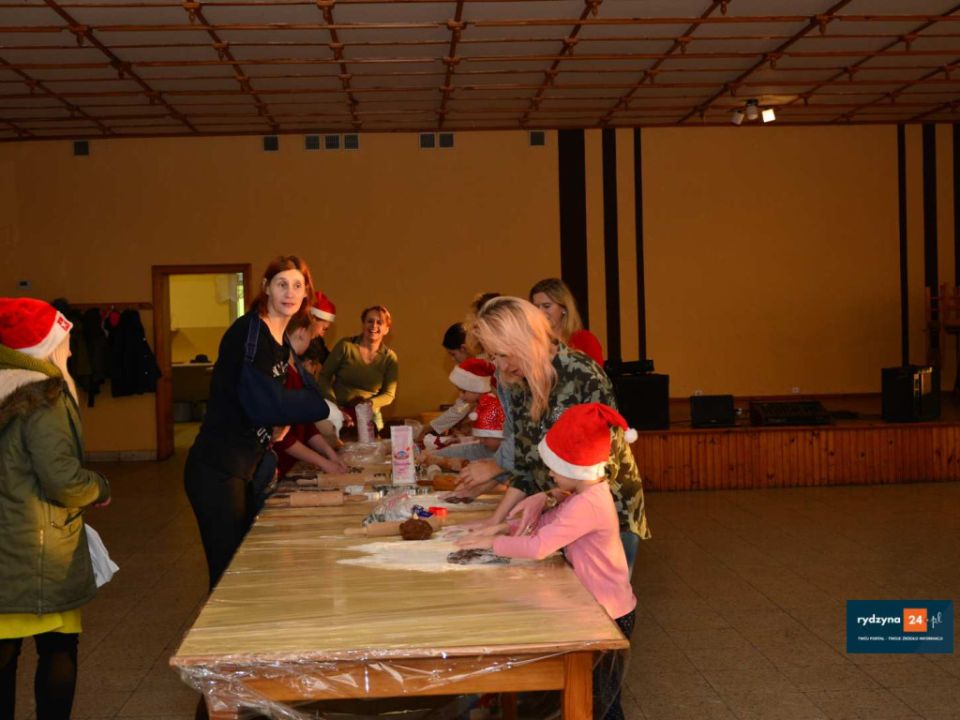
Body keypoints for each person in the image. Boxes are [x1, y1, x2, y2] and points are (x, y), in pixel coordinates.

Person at [457, 403, 636, 720]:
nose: (550, 473)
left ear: (575, 467)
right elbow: (547, 524)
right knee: (593, 694)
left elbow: (540, 546)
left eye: (554, 467)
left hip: (609, 613)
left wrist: (492, 543)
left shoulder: (587, 505)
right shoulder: (584, 495)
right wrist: (504, 527)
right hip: (597, 607)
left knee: (603, 702)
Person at [457, 296, 649, 569]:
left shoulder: (581, 374)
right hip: (558, 512)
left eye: (504, 354)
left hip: (607, 513)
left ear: (526, 339)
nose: (501, 366)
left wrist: (548, 498)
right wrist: (495, 521)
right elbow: (525, 464)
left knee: (600, 592)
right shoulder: (517, 381)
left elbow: (599, 469)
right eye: (494, 356)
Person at [184, 256, 337, 590]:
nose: (289, 292)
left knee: (246, 566)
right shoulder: (248, 333)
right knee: (229, 574)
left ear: (306, 293)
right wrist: (315, 409)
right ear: (266, 287)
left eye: (297, 285)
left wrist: (278, 425)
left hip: (246, 466)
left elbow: (260, 404)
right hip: (217, 467)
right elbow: (261, 404)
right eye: (282, 284)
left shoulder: (279, 341)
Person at [0, 298, 111, 720]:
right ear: (47, 345)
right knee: (57, 647)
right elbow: (62, 479)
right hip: (39, 546)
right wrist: (98, 487)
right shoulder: (43, 397)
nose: (69, 349)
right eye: (64, 340)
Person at [274, 312, 348, 479]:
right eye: (311, 336)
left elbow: (306, 425)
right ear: (301, 332)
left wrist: (330, 454)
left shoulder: (297, 370)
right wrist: (323, 462)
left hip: (294, 464)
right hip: (281, 466)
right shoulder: (282, 372)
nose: (312, 341)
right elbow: (282, 437)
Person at [318, 305, 398, 433]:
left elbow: (389, 394)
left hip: (370, 414)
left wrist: (368, 404)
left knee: (374, 442)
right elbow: (324, 377)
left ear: (386, 329)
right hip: (339, 410)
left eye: (379, 322)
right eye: (370, 321)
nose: (374, 325)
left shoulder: (390, 358)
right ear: (363, 324)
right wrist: (334, 406)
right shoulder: (346, 346)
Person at [422, 359, 504, 462]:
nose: (460, 396)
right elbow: (483, 440)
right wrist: (462, 440)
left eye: (463, 391)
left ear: (477, 389)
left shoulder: (491, 408)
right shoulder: (479, 403)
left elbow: (492, 445)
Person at [529, 277, 604, 367]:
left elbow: (595, 374)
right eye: (536, 307)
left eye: (546, 306)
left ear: (564, 308)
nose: (540, 312)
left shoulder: (585, 340)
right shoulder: (530, 341)